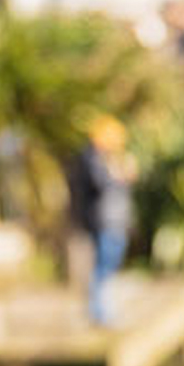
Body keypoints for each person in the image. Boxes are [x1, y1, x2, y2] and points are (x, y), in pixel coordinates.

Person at [68, 115, 136, 327]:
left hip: (114, 220)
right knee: (103, 267)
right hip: (104, 220)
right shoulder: (92, 158)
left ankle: (103, 310)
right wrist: (120, 175)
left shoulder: (106, 159)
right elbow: (100, 185)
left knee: (109, 265)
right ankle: (100, 312)